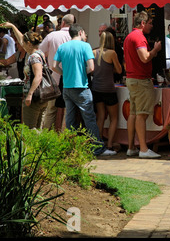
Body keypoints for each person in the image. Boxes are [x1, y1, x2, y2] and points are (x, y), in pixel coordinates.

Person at [52, 24, 116, 156]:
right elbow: (91, 68)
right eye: (84, 33)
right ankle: (97, 147)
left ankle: (71, 147)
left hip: (67, 87)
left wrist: (64, 73)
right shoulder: (85, 46)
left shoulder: (63, 47)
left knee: (70, 118)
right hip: (81, 87)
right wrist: (82, 73)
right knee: (90, 118)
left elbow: (53, 66)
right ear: (80, 32)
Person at [123, 11, 162, 159]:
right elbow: (145, 58)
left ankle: (132, 147)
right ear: (143, 23)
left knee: (133, 114)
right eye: (150, 23)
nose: (152, 26)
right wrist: (155, 50)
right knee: (141, 114)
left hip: (132, 78)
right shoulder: (139, 37)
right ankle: (144, 149)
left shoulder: (129, 37)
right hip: (140, 80)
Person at [0, 22, 47, 128]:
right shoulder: (39, 53)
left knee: (29, 128)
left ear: (29, 44)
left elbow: (38, 76)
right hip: (40, 96)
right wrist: (12, 26)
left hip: (35, 98)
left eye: (24, 44)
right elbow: (22, 39)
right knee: (37, 129)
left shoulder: (34, 57)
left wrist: (30, 94)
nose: (21, 45)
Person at [40, 14, 75, 130]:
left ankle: (47, 136)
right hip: (71, 78)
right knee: (68, 110)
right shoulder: (75, 37)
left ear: (62, 23)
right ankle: (64, 138)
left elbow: (40, 52)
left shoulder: (53, 36)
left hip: (53, 78)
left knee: (51, 110)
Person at [92, 31, 123, 151]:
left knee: (100, 116)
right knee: (113, 118)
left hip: (96, 88)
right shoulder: (112, 53)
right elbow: (119, 70)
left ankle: (99, 143)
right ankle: (110, 144)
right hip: (109, 89)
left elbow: (92, 70)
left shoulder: (94, 52)